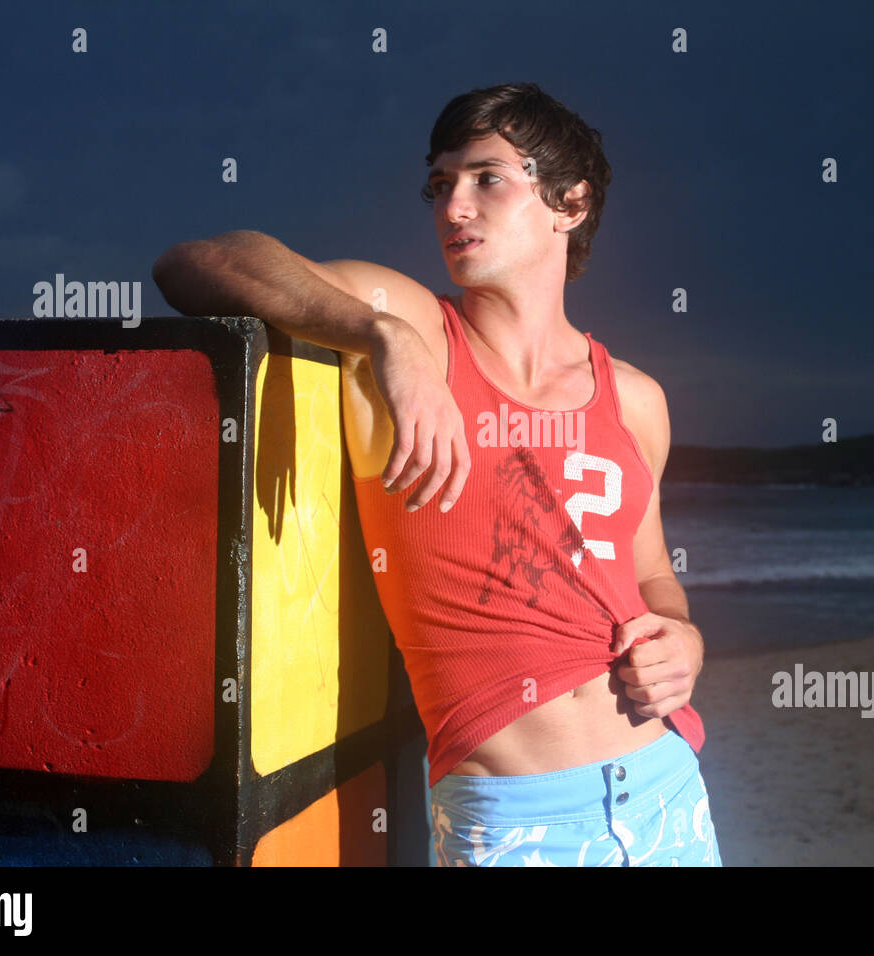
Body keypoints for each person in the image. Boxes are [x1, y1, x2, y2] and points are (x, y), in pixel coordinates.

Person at [154, 82, 722, 866]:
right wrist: (383, 333)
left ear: (570, 204)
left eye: (487, 178)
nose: (453, 206)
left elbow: (654, 575)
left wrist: (685, 638)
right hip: (515, 819)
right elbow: (197, 263)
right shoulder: (417, 324)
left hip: (667, 791)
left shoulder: (636, 399)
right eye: (439, 183)